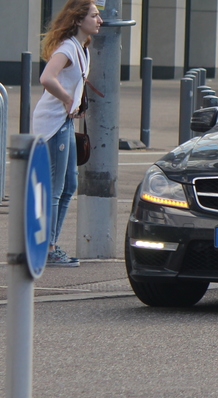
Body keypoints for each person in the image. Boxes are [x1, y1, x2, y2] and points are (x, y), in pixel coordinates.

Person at [32, 0, 102, 267]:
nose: (99, 20)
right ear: (78, 19)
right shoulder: (67, 48)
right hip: (53, 122)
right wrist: (65, 100)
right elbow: (46, 78)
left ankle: (51, 243)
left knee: (70, 185)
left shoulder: (82, 48)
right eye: (94, 16)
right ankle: (47, 248)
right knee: (56, 187)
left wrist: (75, 104)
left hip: (65, 122)